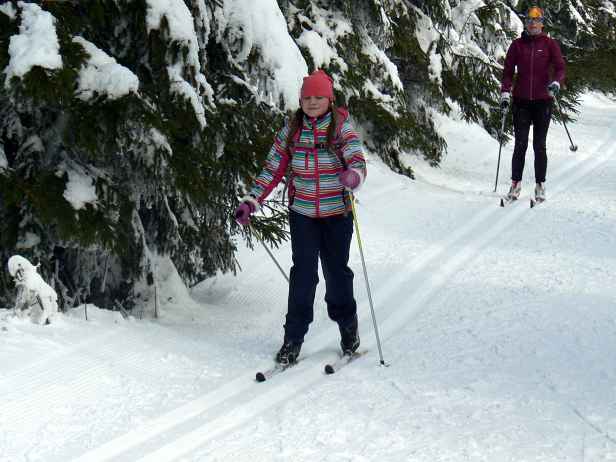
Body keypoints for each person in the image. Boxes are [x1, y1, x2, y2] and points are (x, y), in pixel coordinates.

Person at [234, 69, 367, 365]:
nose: (312, 102)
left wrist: (353, 176)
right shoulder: (292, 129)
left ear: (329, 99)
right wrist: (252, 199)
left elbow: (357, 159)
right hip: (303, 213)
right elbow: (273, 167)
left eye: (319, 97)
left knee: (336, 274)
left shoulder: (341, 127)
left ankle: (348, 328)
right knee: (303, 277)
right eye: (307, 98)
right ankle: (292, 339)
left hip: (337, 213)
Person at [500, 5, 565, 202]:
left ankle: (540, 185)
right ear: (526, 24)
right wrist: (505, 92)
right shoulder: (517, 45)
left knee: (539, 145)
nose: (533, 24)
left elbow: (561, 68)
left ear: (542, 23)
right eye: (529, 21)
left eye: (536, 21)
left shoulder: (549, 44)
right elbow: (508, 72)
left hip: (543, 102)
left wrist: (556, 82)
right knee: (520, 144)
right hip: (521, 102)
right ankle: (515, 184)